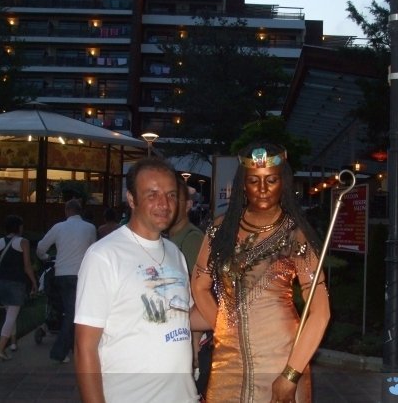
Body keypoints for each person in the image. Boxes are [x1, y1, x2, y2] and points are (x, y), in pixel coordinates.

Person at [191, 143, 331, 402]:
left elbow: (320, 311)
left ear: (283, 182)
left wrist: (291, 373)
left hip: (281, 360)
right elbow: (199, 285)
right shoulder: (221, 229)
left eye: (272, 180)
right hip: (227, 364)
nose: (263, 188)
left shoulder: (295, 234)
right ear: (243, 185)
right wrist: (222, 326)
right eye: (254, 181)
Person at [74, 158, 209, 403]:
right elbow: (85, 347)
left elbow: (184, 315)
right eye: (152, 195)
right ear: (132, 199)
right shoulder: (104, 255)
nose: (164, 204)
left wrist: (239, 302)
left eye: (171, 195)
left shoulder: (175, 253)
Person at [37, 199, 96, 363]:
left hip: (61, 274)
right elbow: (94, 250)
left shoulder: (58, 227)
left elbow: (40, 247)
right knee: (75, 313)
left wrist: (45, 257)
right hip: (81, 274)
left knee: (70, 312)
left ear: (67, 211)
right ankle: (61, 351)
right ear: (80, 211)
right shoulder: (90, 228)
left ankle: (69, 348)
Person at [168, 176, 210, 397]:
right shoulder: (169, 238)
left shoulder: (192, 239)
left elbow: (199, 292)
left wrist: (194, 342)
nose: (170, 205)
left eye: (176, 199)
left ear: (188, 205)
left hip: (191, 334)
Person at [0, 215, 38, 360]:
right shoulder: (23, 242)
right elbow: (27, 266)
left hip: (1, 282)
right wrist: (34, 281)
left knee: (10, 314)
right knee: (11, 316)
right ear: (19, 227)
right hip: (16, 282)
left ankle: (13, 343)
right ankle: (0, 349)